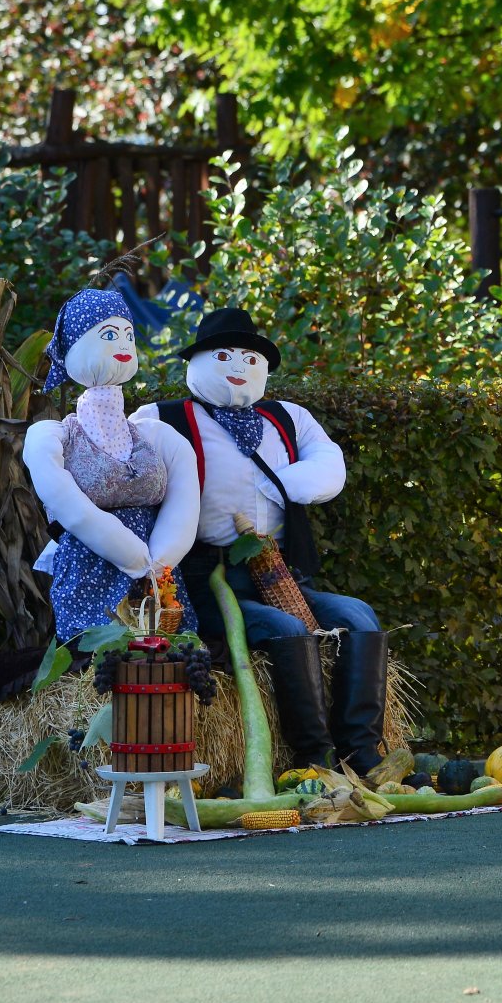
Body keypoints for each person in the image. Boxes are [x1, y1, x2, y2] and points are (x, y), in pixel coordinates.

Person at [134, 308, 391, 776]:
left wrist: (280, 485)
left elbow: (329, 464)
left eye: (251, 357)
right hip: (204, 577)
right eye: (225, 355)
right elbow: (123, 471)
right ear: (197, 361)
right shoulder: (162, 417)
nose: (238, 365)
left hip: (275, 569)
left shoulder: (288, 418)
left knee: (359, 615)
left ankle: (363, 749)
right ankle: (315, 757)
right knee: (288, 630)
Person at [26, 288, 201, 642]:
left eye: (127, 334)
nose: (121, 342)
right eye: (108, 334)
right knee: (102, 660)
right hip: (91, 568)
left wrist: (161, 559)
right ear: (76, 349)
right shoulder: (53, 436)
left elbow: (185, 493)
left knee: (162, 664)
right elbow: (64, 502)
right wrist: (129, 552)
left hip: (156, 573)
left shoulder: (154, 435)